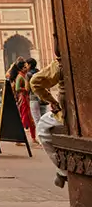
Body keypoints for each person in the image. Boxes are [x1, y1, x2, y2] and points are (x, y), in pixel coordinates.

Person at [30, 57, 68, 188]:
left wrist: (52, 101)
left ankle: (62, 170)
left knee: (43, 126)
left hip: (73, 115)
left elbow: (35, 82)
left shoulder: (65, 60)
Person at [14, 61, 38, 144]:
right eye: (24, 67)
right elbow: (17, 88)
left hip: (27, 98)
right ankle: (19, 138)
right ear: (21, 69)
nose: (26, 68)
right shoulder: (20, 77)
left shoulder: (25, 75)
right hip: (23, 99)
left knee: (30, 119)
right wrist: (26, 89)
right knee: (25, 118)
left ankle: (33, 138)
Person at [26, 57, 45, 126]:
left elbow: (27, 89)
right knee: (44, 120)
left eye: (27, 65)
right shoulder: (40, 72)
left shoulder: (28, 75)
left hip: (34, 99)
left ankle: (40, 136)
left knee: (37, 121)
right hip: (42, 97)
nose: (26, 66)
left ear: (30, 65)